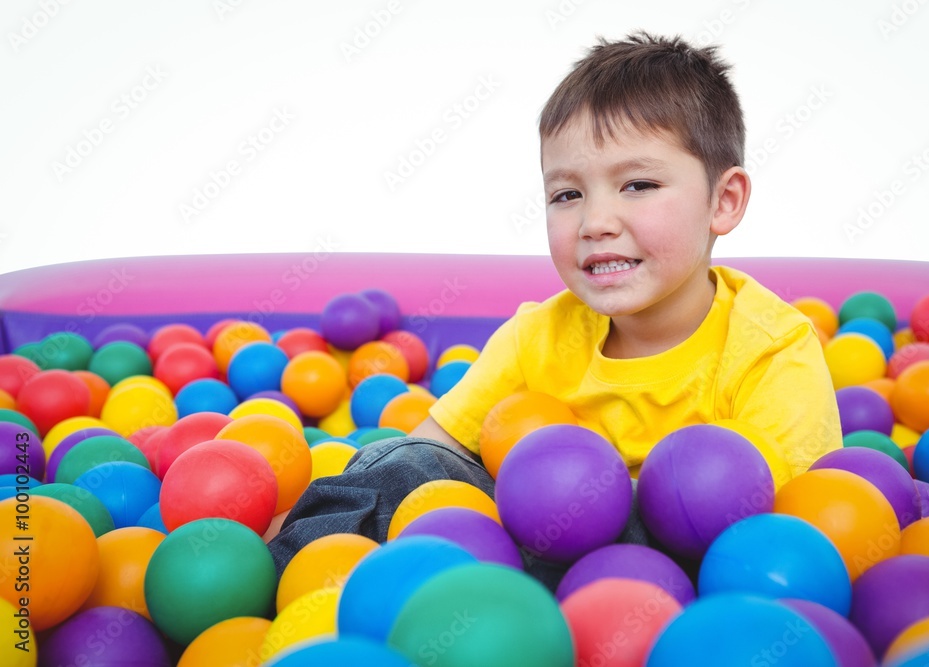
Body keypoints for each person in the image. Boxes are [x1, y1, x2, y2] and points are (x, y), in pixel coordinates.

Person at [268, 31, 842, 588]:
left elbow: (789, 522)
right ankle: (286, 577)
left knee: (679, 522)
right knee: (397, 459)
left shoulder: (772, 348)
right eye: (567, 195)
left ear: (724, 200)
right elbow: (432, 449)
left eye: (637, 185)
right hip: (509, 542)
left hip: (668, 574)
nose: (594, 223)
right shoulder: (537, 335)